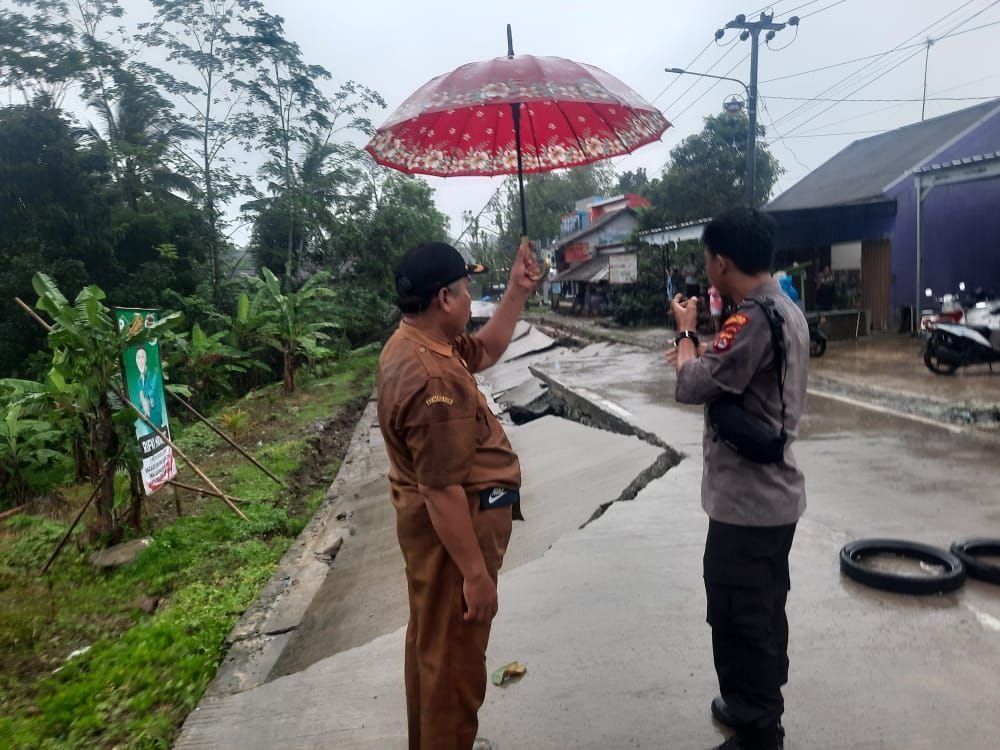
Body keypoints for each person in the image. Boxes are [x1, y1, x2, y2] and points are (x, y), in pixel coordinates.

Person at [376, 239, 542, 750]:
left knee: (433, 651)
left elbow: (488, 349)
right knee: (455, 670)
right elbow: (441, 489)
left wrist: (517, 289)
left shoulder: (418, 343)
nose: (472, 300)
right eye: (467, 290)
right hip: (453, 542)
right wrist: (475, 576)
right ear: (444, 298)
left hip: (439, 539)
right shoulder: (434, 379)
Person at [666, 208, 808, 750]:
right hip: (774, 498)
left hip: (747, 504)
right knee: (764, 606)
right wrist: (702, 348)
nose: (707, 268)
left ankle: (757, 728)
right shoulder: (783, 308)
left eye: (708, 259)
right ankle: (758, 702)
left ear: (722, 262)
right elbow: (729, 374)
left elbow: (693, 384)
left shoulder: (749, 320)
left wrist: (684, 334)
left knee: (738, 614)